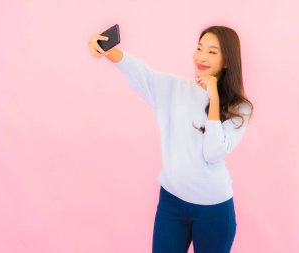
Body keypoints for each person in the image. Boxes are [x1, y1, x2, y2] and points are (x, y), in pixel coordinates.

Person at [88, 25, 254, 253]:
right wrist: (107, 50)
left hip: (213, 209)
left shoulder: (240, 108)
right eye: (199, 48)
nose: (201, 57)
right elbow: (141, 73)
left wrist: (213, 99)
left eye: (212, 52)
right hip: (172, 202)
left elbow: (213, 153)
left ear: (227, 61)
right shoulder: (175, 88)